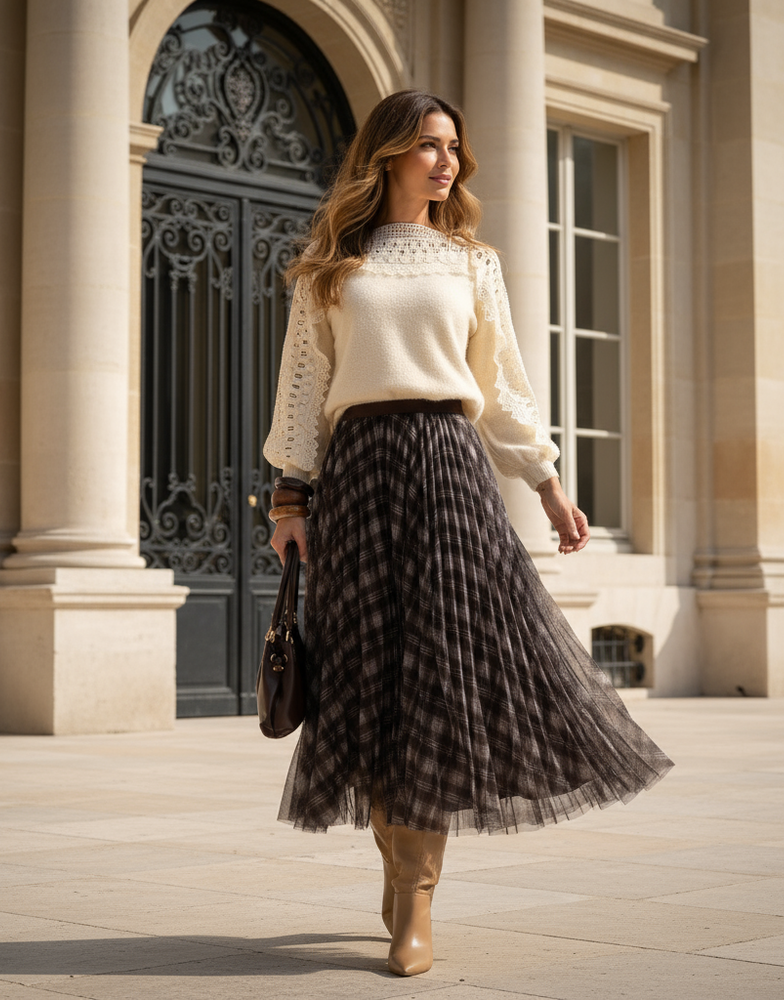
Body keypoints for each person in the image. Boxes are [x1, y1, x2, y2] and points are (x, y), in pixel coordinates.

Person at [264, 90, 672, 977]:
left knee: (440, 687)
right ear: (387, 157)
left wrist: (552, 486)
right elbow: (304, 393)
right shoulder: (333, 265)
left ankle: (417, 901)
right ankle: (396, 854)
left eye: (453, 146)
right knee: (368, 687)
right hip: (362, 477)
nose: (446, 162)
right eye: (427, 147)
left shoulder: (471, 263)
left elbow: (505, 387)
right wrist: (289, 506)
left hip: (450, 472)